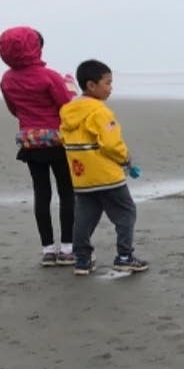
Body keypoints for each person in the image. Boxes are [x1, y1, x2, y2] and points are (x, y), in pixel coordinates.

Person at [59, 59, 149, 276]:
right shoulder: (100, 111)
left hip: (81, 175)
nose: (111, 88)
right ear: (92, 85)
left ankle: (82, 259)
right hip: (106, 175)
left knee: (84, 216)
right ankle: (125, 257)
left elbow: (62, 138)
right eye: (107, 83)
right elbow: (110, 143)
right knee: (126, 212)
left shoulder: (68, 111)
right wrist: (125, 159)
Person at [0, 26, 77, 267]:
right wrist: (70, 88)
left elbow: (14, 110)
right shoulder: (49, 76)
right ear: (35, 47)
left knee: (41, 194)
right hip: (57, 141)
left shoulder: (7, 79)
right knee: (66, 192)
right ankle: (67, 248)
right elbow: (65, 106)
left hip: (30, 142)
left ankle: (47, 249)